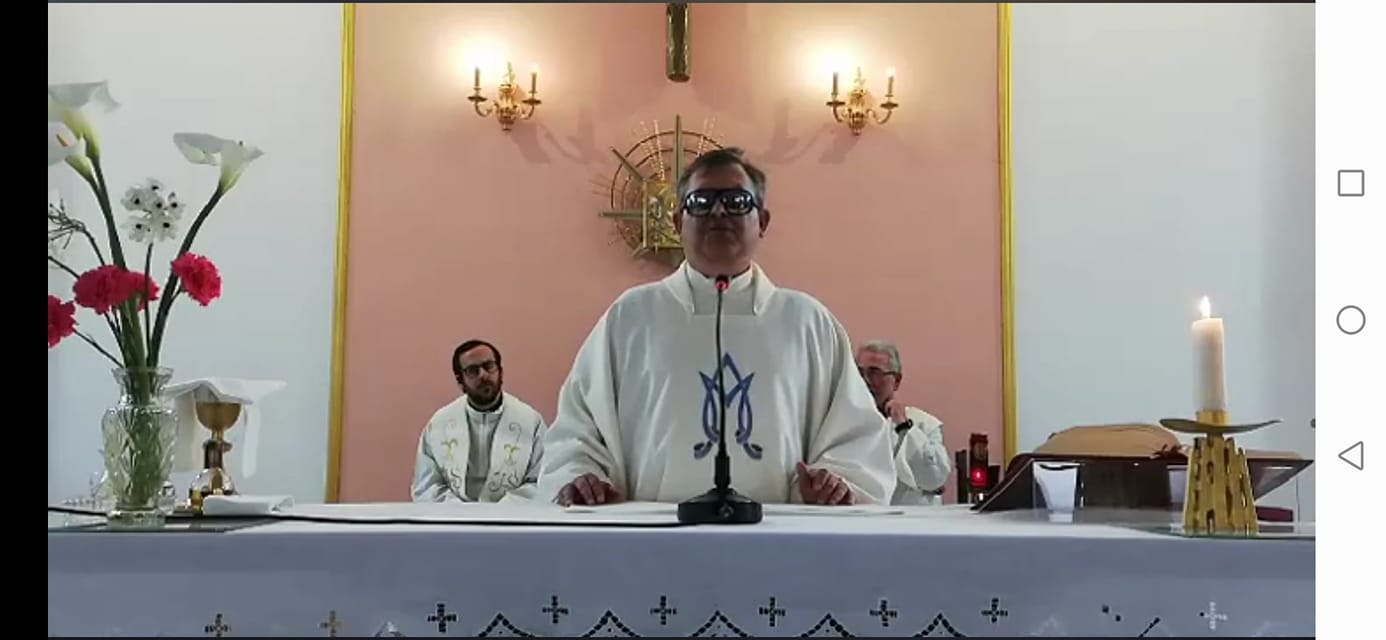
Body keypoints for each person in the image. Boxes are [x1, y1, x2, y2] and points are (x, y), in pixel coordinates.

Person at [536, 147, 896, 506]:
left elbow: (855, 438)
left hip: (777, 533)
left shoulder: (807, 322)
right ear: (678, 222)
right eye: (701, 201)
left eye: (737, 201)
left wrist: (835, 481)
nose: (719, 212)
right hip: (654, 533)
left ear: (763, 221)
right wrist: (582, 476)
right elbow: (579, 428)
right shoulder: (631, 317)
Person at [411, 339, 547, 503]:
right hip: (454, 516)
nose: (483, 375)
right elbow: (426, 486)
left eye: (489, 366)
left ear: (500, 372)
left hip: (510, 515)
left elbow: (541, 481)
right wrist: (462, 511)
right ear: (460, 381)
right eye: (472, 370)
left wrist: (500, 510)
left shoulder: (530, 421)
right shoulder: (439, 424)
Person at [855, 340, 952, 505]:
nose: (865, 380)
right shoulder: (843, 422)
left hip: (913, 518)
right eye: (859, 372)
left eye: (874, 372)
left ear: (897, 381)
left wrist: (903, 426)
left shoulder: (924, 424)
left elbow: (934, 479)